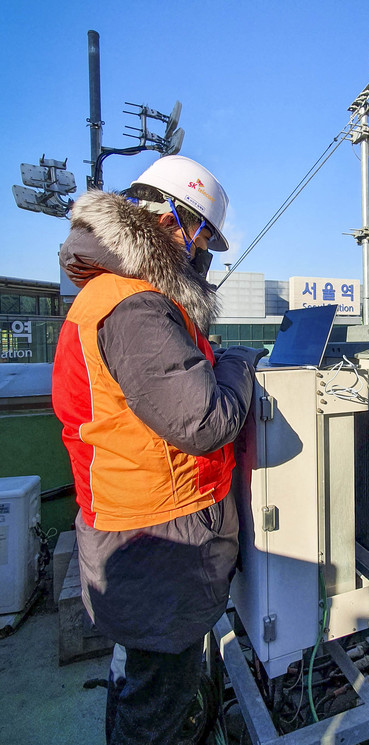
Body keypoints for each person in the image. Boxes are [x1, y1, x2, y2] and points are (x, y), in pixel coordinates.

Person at [52, 154, 262, 745]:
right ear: (172, 220)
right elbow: (202, 420)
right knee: (156, 711)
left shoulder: (115, 295)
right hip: (158, 542)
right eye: (201, 237)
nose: (202, 255)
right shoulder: (135, 305)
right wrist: (239, 365)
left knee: (140, 683)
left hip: (133, 529)